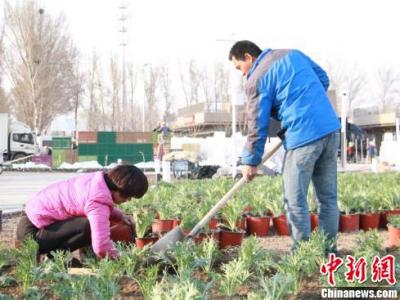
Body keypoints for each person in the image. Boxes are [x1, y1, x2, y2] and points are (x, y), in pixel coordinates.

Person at [229, 41, 340, 252]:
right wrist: (304, 101)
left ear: (248, 57)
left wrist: (250, 161)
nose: (242, 74)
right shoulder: (293, 53)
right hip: (330, 128)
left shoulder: (256, 78)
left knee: (294, 198)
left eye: (239, 67)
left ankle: (302, 255)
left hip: (303, 136)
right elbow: (323, 79)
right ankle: (328, 252)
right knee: (328, 199)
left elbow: (256, 124)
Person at [16, 164, 148, 260]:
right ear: (119, 189)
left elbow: (101, 205)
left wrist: (120, 215)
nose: (128, 200)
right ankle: (54, 257)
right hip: (32, 238)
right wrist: (123, 259)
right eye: (128, 196)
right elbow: (101, 247)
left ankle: (55, 257)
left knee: (88, 224)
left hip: (31, 223)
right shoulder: (97, 201)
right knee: (88, 226)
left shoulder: (97, 182)